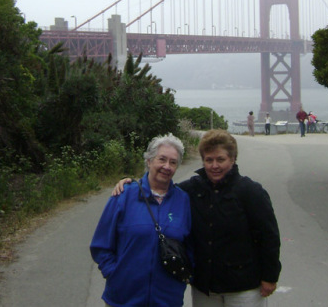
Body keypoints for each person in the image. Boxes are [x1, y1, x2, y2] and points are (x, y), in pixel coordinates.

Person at [113, 129, 281, 307]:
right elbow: (159, 188)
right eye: (209, 160)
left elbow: (269, 236)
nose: (214, 165)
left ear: (232, 159)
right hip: (205, 288)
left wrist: (270, 277)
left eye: (220, 159)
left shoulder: (251, 192)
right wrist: (133, 184)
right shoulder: (191, 190)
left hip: (244, 287)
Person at [90, 134, 192, 307]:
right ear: (149, 161)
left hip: (167, 300)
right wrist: (115, 274)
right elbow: (101, 245)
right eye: (162, 159)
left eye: (173, 162)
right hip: (123, 299)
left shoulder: (183, 200)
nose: (166, 166)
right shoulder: (124, 195)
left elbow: (191, 245)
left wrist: (184, 279)